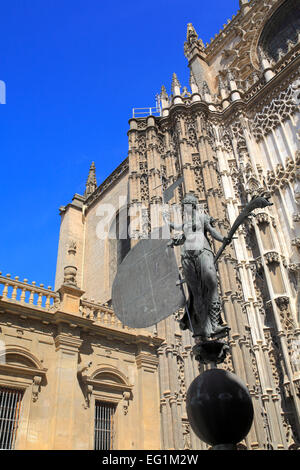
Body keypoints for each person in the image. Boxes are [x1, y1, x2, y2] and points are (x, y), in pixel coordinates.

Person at [163, 193, 230, 340]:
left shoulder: (203, 218)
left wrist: (223, 238)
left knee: (211, 284)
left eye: (186, 206)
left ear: (192, 206)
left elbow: (212, 232)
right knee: (196, 293)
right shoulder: (185, 224)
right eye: (183, 206)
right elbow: (180, 236)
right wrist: (172, 240)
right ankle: (203, 328)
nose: (184, 209)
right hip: (188, 257)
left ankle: (215, 323)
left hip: (203, 253)